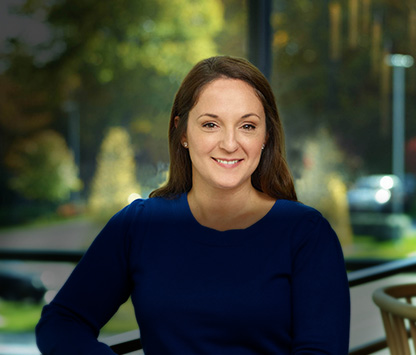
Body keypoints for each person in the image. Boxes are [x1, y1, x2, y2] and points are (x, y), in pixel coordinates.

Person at [36, 55, 350, 354]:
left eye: (247, 125)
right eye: (211, 124)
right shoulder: (139, 225)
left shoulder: (307, 235)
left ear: (265, 135)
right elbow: (61, 322)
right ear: (183, 131)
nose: (229, 143)